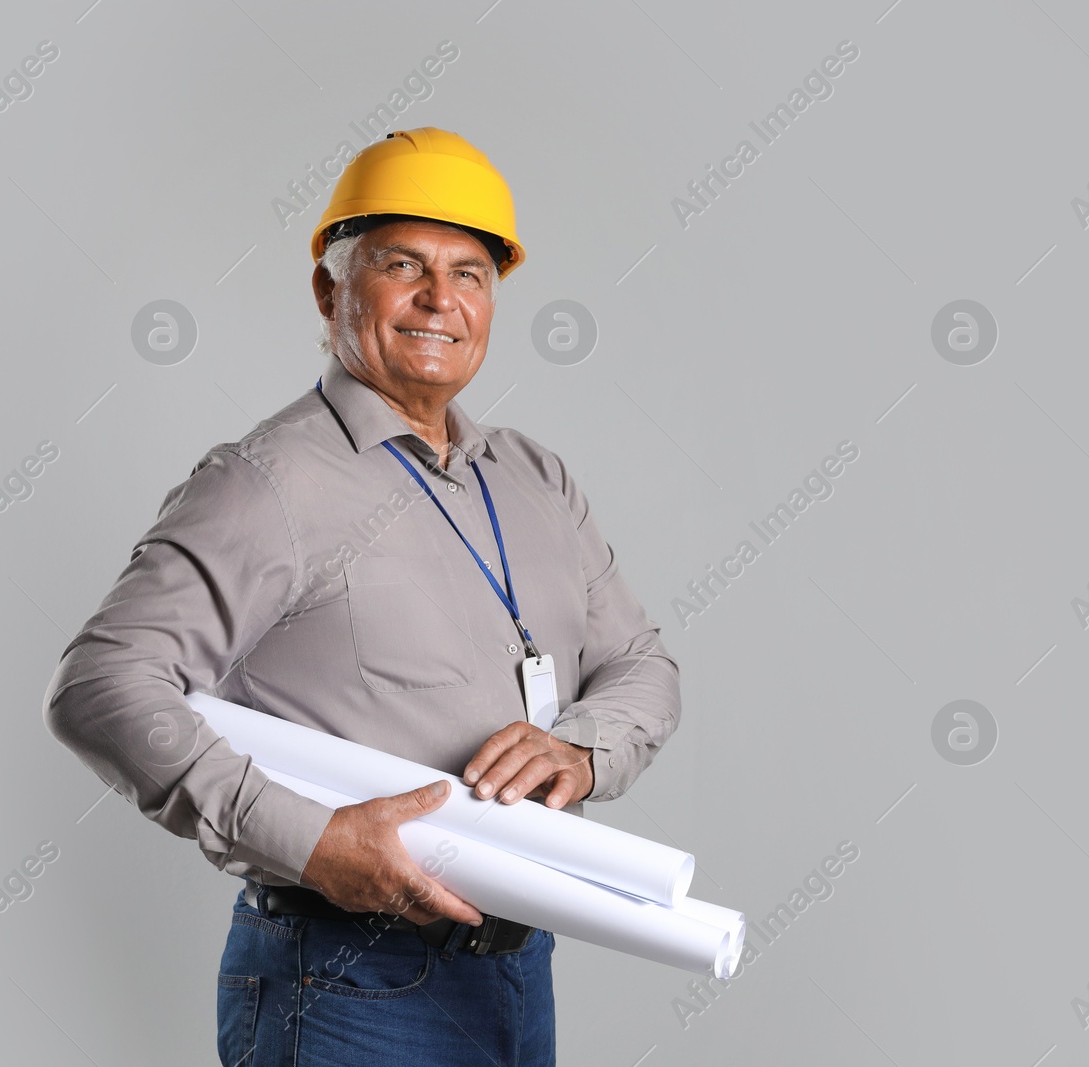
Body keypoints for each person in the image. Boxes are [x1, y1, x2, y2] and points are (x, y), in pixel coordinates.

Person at [41, 127, 680, 1066]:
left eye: (471, 273)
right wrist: (308, 840)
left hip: (517, 965)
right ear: (330, 289)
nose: (440, 300)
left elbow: (644, 665)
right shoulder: (268, 480)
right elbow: (99, 683)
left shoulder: (534, 478)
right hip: (343, 979)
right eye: (403, 265)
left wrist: (582, 746)